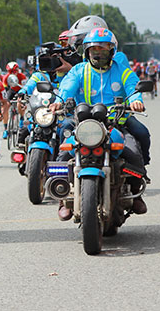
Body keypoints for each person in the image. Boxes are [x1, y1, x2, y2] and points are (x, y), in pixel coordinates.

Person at [50, 28, 149, 217]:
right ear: (86, 51)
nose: (98, 52)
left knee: (135, 147)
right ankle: (63, 198)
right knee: (63, 151)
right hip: (84, 123)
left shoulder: (122, 70)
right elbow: (66, 87)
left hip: (116, 122)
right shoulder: (79, 71)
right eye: (94, 49)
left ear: (112, 51)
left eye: (103, 49)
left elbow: (132, 87)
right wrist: (59, 101)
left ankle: (136, 193)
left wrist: (136, 100)